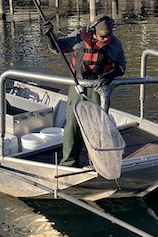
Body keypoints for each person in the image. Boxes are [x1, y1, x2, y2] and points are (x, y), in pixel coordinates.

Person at [44, 14, 126, 167]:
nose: (104, 40)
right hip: (77, 85)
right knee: (72, 125)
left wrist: (111, 75)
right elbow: (57, 48)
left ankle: (96, 162)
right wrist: (50, 35)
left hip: (98, 88)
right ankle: (69, 162)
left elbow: (122, 65)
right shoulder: (78, 37)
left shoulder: (114, 44)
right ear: (92, 30)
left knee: (97, 126)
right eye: (101, 37)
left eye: (107, 37)